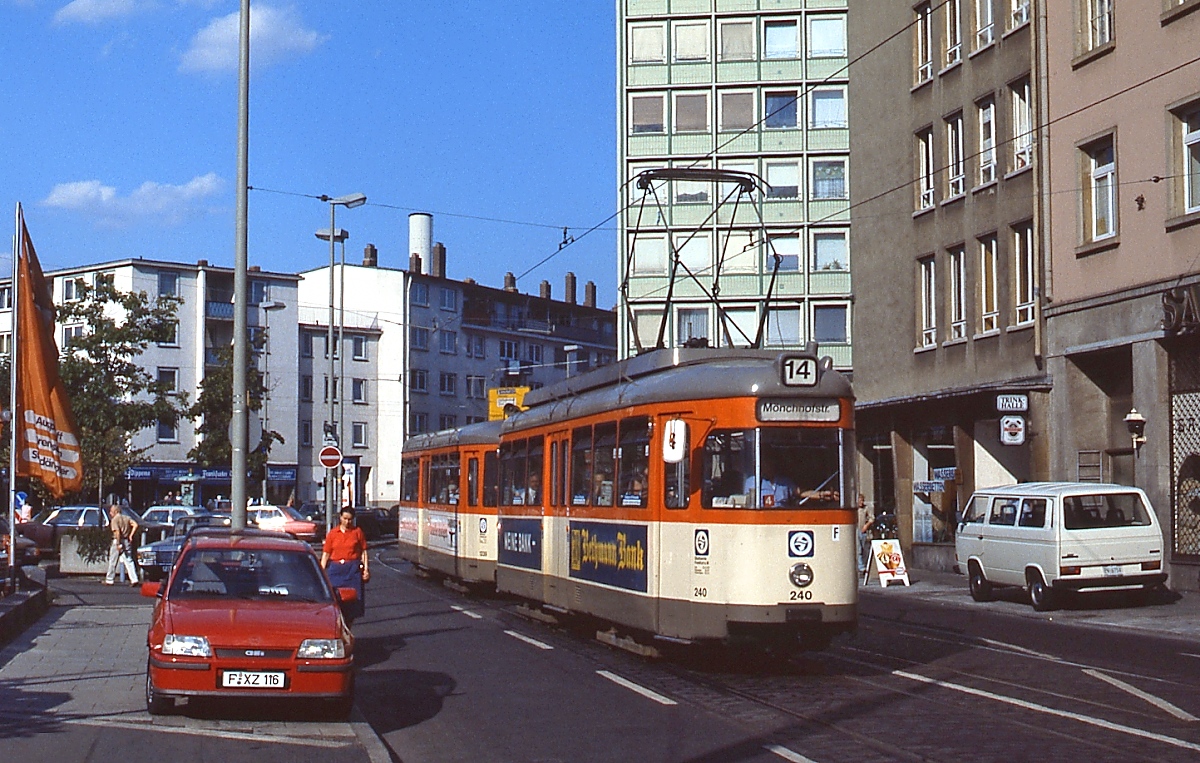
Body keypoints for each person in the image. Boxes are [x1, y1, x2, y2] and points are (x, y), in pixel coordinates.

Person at [321, 507, 369, 624]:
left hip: (352, 570)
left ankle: (347, 630)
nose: (347, 522)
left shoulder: (357, 532)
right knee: (336, 601)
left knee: (352, 603)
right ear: (340, 518)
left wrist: (366, 570)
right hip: (336, 570)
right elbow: (326, 554)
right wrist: (321, 571)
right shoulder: (333, 534)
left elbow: (363, 552)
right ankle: (338, 628)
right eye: (345, 518)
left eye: (350, 519)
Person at [104, 504, 140, 586]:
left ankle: (109, 579)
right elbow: (135, 525)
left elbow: (117, 532)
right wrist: (131, 535)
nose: (110, 513)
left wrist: (118, 543)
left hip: (118, 540)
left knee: (113, 560)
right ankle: (134, 579)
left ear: (116, 511)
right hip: (127, 540)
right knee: (129, 560)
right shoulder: (126, 518)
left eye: (111, 511)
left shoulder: (115, 520)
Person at [857, 494, 875, 574]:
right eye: (860, 500)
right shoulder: (855, 509)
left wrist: (866, 525)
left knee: (864, 548)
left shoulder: (865, 508)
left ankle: (865, 564)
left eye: (862, 500)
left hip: (863, 530)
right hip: (856, 530)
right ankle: (861, 567)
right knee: (858, 548)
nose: (861, 502)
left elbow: (872, 518)